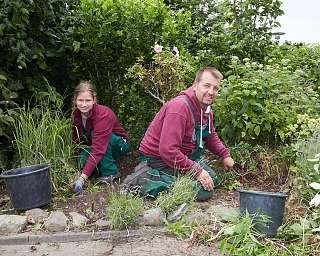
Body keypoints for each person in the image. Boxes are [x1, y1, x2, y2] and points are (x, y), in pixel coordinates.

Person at [123, 67, 234, 201]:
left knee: (213, 180)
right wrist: (197, 171)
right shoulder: (180, 107)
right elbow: (167, 151)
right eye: (207, 86)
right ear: (195, 85)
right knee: (203, 191)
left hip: (181, 157)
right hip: (158, 160)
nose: (211, 92)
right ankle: (142, 180)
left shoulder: (206, 109)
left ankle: (171, 179)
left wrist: (224, 154)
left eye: (215, 88)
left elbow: (209, 135)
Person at [72, 81, 129, 195]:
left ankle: (111, 172)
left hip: (118, 144)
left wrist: (82, 178)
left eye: (88, 100)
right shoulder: (76, 115)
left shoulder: (103, 114)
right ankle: (101, 166)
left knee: (96, 138)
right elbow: (76, 139)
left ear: (94, 100)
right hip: (98, 144)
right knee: (82, 161)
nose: (83, 104)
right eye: (80, 100)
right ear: (75, 100)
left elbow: (98, 149)